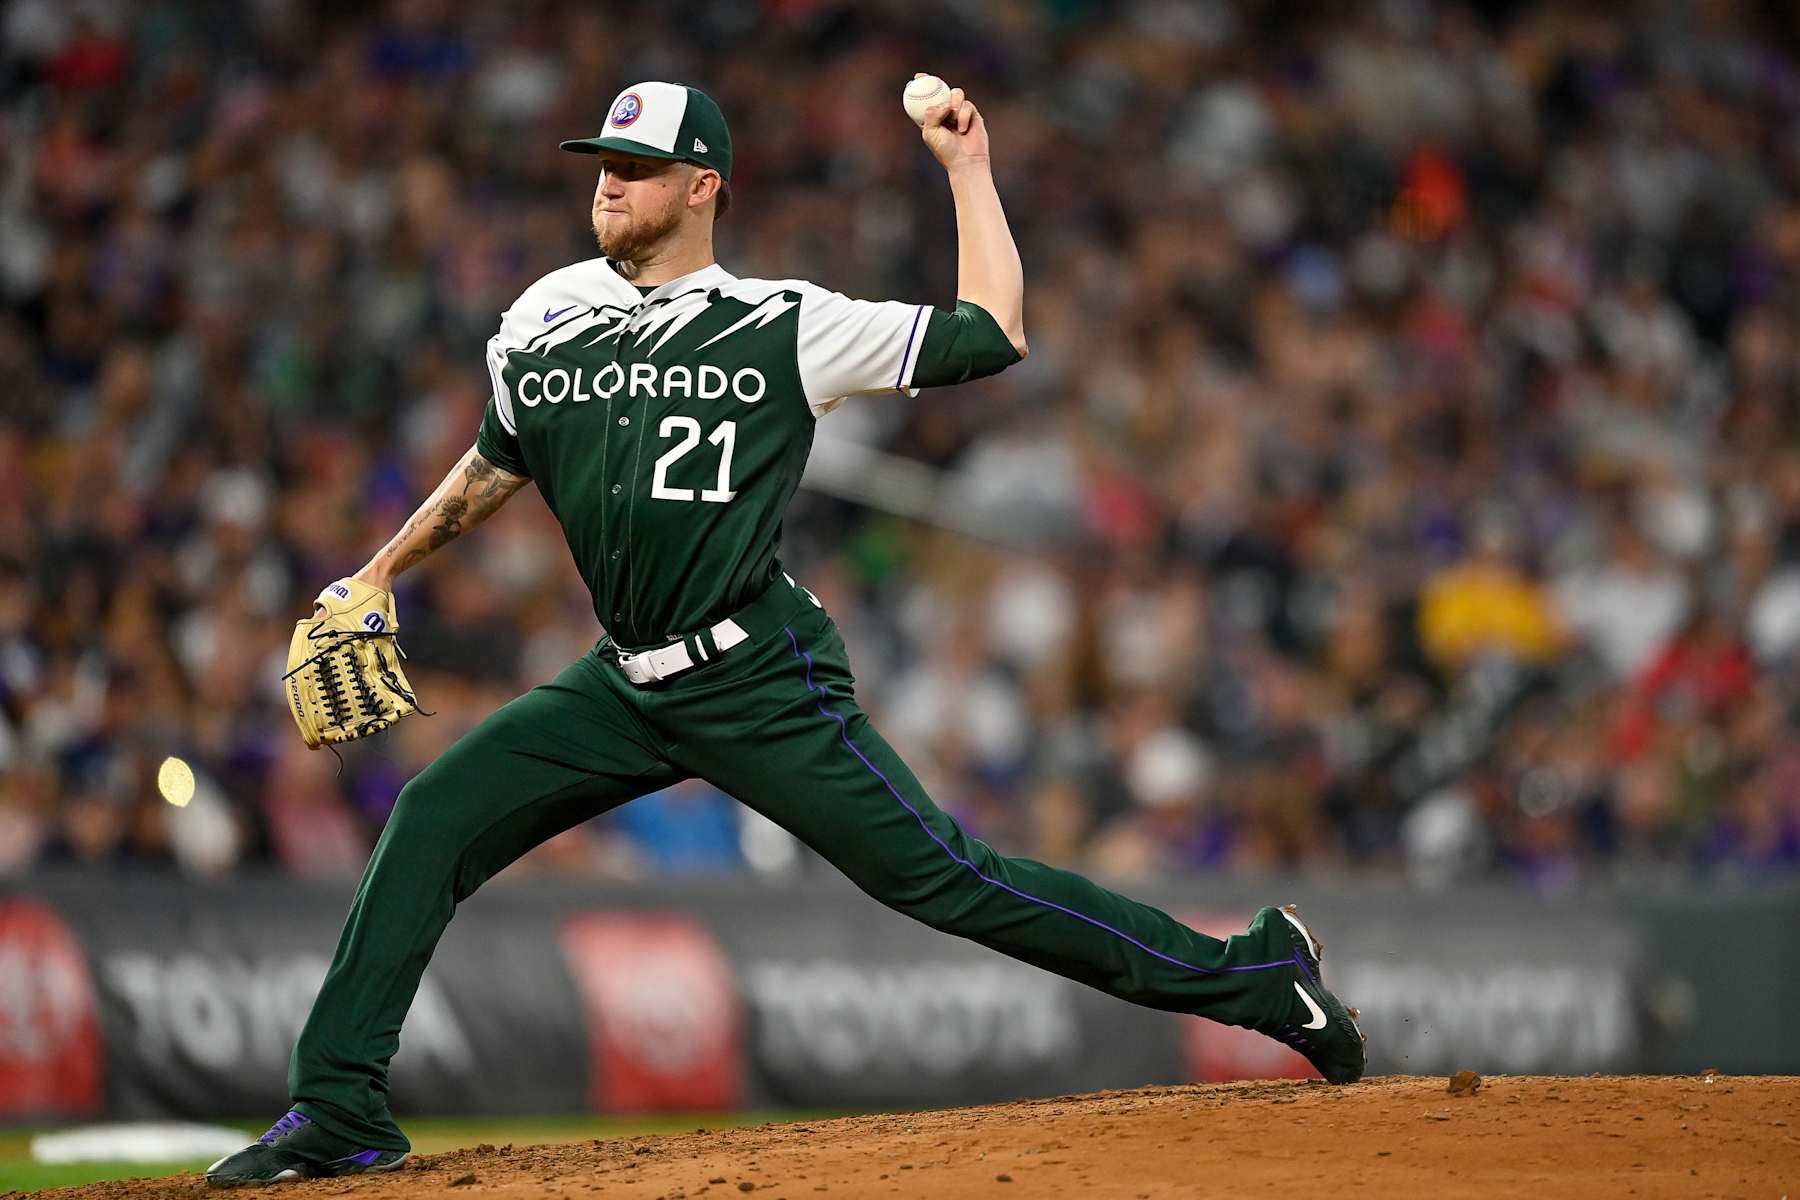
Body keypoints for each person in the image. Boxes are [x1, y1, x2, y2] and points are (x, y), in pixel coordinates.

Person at [207, 78, 1364, 1186]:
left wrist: (969, 167)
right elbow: (498, 460)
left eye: (637, 168)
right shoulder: (543, 317)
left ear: (703, 185)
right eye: (601, 164)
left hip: (759, 674)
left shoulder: (785, 323)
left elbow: (991, 331)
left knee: (950, 879)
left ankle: (1253, 973)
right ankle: (339, 1107)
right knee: (432, 816)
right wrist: (379, 568)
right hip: (622, 683)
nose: (608, 184)